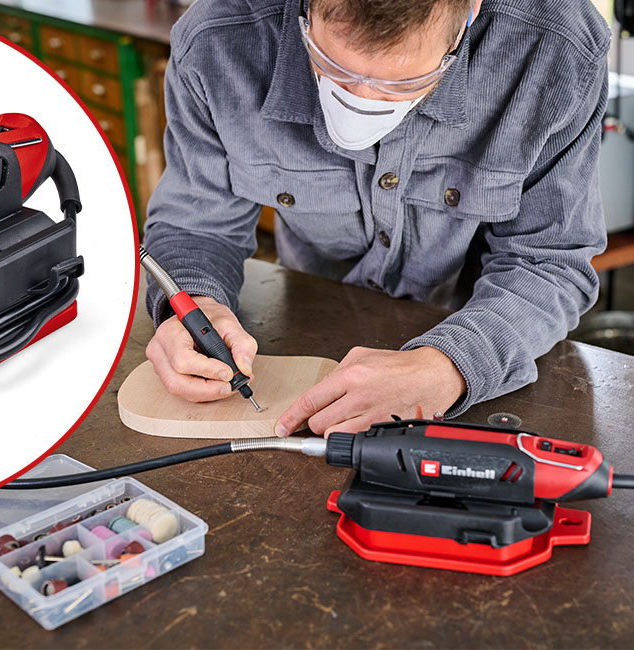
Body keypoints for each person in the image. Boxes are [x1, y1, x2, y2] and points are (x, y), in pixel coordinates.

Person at [142, 0, 610, 436]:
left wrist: (451, 364)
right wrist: (194, 302)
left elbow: (550, 263)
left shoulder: (557, 49)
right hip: (307, 325)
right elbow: (195, 226)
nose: (360, 98)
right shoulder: (218, 39)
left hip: (490, 336)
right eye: (331, 67)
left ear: (468, 14)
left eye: (401, 84)